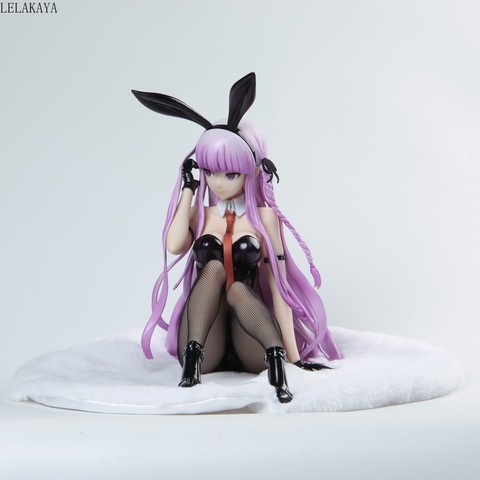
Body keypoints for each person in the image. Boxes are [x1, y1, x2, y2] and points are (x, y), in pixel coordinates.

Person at [132, 73, 341, 403]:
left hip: (250, 340)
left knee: (239, 289)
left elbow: (278, 285)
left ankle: (277, 365)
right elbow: (174, 245)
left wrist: (293, 354)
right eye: (210, 171)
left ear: (252, 170)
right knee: (213, 269)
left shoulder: (265, 219)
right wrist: (188, 191)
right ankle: (192, 365)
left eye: (230, 173)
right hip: (205, 341)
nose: (218, 183)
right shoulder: (200, 215)